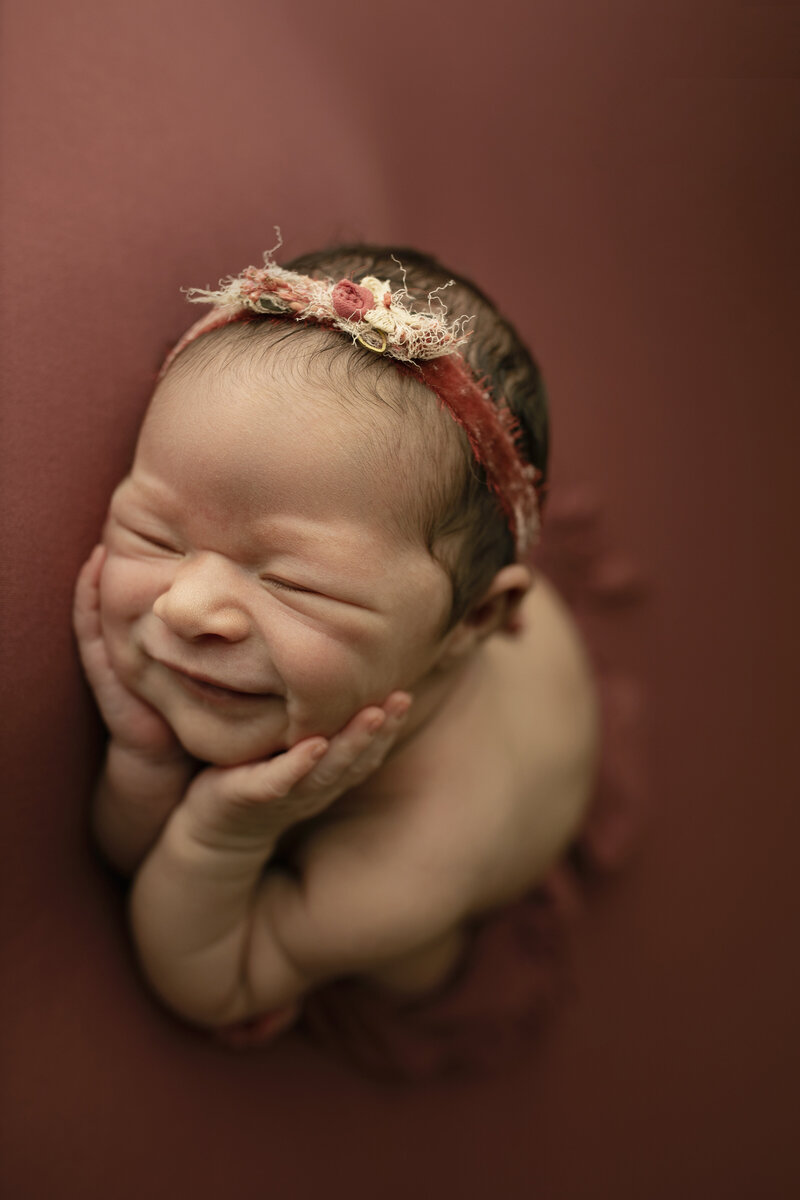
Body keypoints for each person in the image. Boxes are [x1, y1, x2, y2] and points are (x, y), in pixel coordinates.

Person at [73, 238, 648, 1081]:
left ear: (475, 622)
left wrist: (222, 838)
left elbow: (208, 982)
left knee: (403, 965)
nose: (185, 606)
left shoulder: (414, 857)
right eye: (155, 533)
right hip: (434, 599)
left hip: (492, 813)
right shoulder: (360, 607)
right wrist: (144, 756)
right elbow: (123, 858)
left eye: (298, 587)